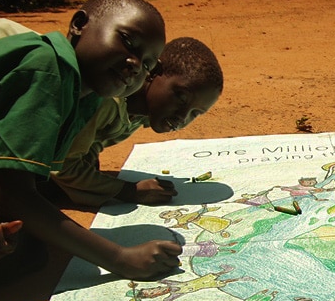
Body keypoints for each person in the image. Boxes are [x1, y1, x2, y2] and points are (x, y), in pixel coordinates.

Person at [0, 0, 182, 291]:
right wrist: (119, 256)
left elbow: (13, 185)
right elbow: (13, 195)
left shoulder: (87, 96)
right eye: (128, 42)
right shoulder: (47, 68)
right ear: (79, 24)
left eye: (147, 65)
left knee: (20, 247)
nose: (134, 64)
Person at [49, 36, 223, 206]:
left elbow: (95, 137)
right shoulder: (108, 99)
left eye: (195, 113)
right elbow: (62, 166)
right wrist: (129, 190)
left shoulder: (144, 111)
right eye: (181, 97)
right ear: (154, 72)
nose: (183, 117)